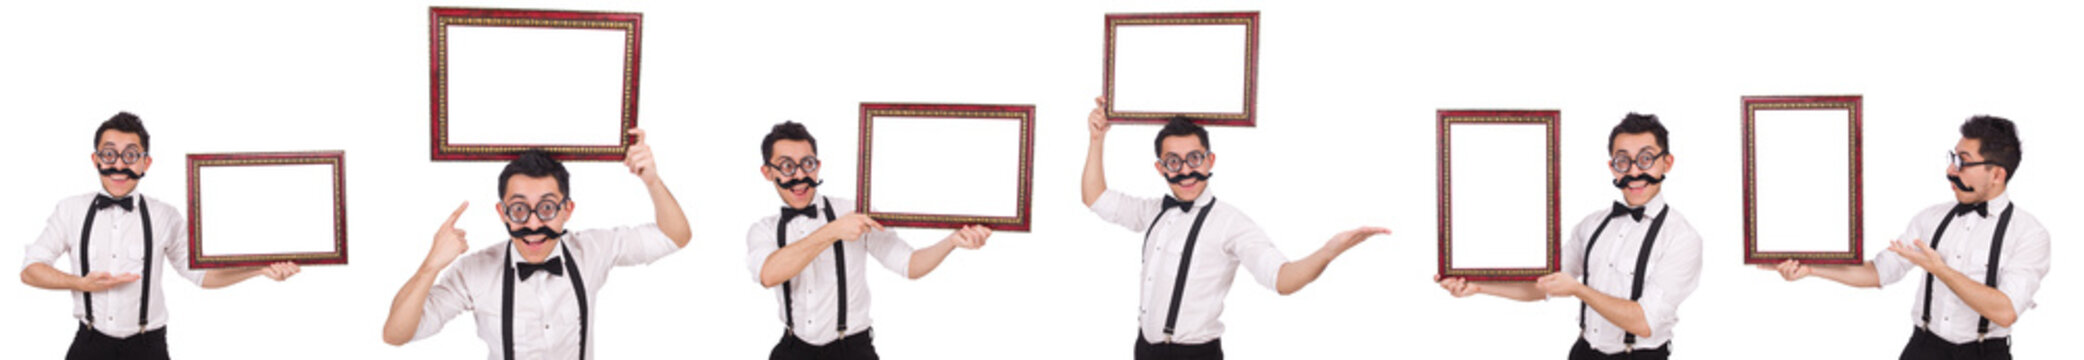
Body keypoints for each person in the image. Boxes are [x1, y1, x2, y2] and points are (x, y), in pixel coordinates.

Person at [1082, 97, 1390, 360]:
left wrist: (1328, 251)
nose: (1186, 170)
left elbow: (1281, 279)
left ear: (1209, 160)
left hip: (1196, 355)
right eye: (1174, 161)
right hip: (1143, 350)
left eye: (1194, 158)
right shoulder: (1153, 212)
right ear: (1161, 168)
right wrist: (1097, 139)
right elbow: (1095, 197)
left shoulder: (1230, 223)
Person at [381, 129, 693, 360]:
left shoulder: (593, 250)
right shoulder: (475, 271)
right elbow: (396, 334)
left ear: (566, 210)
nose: (532, 225)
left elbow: (674, 236)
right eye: (519, 209)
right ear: (502, 212)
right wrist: (431, 264)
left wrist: (651, 179)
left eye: (546, 208)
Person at [21, 112, 303, 360]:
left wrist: (258, 269)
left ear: (146, 163)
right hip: (89, 343)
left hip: (148, 347)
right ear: (96, 159)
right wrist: (81, 283)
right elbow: (30, 270)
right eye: (109, 154)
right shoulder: (70, 210)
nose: (119, 165)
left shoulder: (165, 216)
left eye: (131, 155)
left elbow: (202, 276)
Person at [1763, 115, 2048, 360]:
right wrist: (1811, 268)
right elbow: (1878, 272)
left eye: (1963, 162)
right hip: (1924, 348)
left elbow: (2005, 311)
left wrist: (1940, 269)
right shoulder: (1931, 218)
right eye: (1953, 158)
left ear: (1997, 174)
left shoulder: (2029, 234)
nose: (1951, 170)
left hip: (1986, 354)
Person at [1437, 113, 1703, 360]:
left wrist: (1578, 289)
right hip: (1583, 352)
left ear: (1666, 162)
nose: (1634, 172)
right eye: (1623, 161)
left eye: (1646, 159)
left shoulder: (1681, 238)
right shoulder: (1592, 225)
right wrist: (1479, 287)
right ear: (1612, 167)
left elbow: (1643, 323)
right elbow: (1544, 285)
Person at [746, 121, 993, 360]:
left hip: (852, 350)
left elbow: (910, 264)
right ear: (768, 172)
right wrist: (833, 231)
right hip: (793, 349)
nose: (800, 175)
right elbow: (770, 274)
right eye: (787, 166)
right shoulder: (763, 230)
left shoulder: (855, 211)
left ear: (818, 166)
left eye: (807, 164)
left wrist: (952, 241)